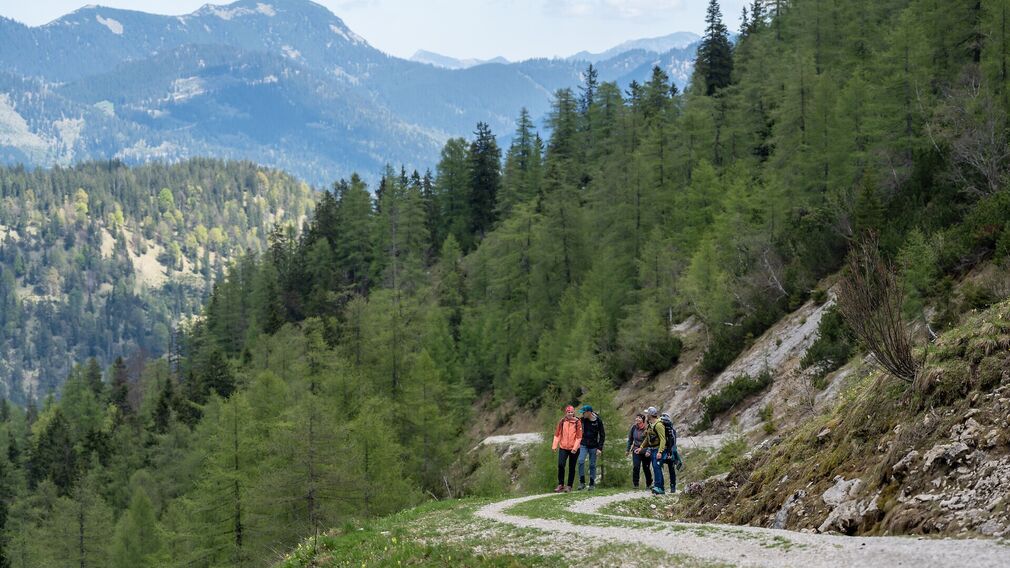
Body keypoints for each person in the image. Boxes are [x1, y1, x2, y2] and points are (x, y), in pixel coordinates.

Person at [552, 405, 583, 493]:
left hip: (574, 448)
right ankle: (561, 484)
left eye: (571, 412)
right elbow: (557, 434)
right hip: (563, 447)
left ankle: (569, 486)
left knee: (572, 467)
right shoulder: (562, 421)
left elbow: (579, 437)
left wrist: (575, 447)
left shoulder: (577, 422)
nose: (570, 414)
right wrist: (554, 446)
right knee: (561, 465)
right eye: (568, 412)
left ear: (574, 413)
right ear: (566, 413)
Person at [577, 404, 605, 490]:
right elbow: (575, 421)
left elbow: (602, 435)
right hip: (583, 444)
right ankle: (582, 482)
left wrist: (600, 448)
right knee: (581, 461)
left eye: (584, 413)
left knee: (592, 465)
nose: (582, 414)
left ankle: (592, 484)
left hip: (594, 446)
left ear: (589, 412)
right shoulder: (582, 420)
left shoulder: (598, 421)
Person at [641, 406, 667, 495]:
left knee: (657, 467)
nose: (646, 415)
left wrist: (660, 452)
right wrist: (641, 447)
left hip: (657, 449)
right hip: (652, 449)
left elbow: (663, 439)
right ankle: (659, 487)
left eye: (647, 414)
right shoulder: (650, 425)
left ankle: (658, 487)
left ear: (650, 415)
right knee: (656, 468)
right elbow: (648, 438)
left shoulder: (659, 425)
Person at [625, 413, 653, 489]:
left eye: (639, 418)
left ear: (643, 420)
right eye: (636, 417)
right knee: (636, 467)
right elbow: (630, 440)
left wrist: (648, 451)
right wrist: (627, 450)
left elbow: (650, 441)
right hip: (636, 450)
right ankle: (635, 484)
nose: (637, 419)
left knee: (646, 467)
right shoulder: (633, 428)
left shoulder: (647, 428)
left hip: (645, 451)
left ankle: (649, 484)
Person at [659, 412, 684, 493]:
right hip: (670, 451)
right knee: (671, 469)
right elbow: (674, 443)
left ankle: (661, 486)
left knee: (659, 468)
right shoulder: (672, 430)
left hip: (663, 451)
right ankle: (672, 486)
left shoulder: (662, 428)